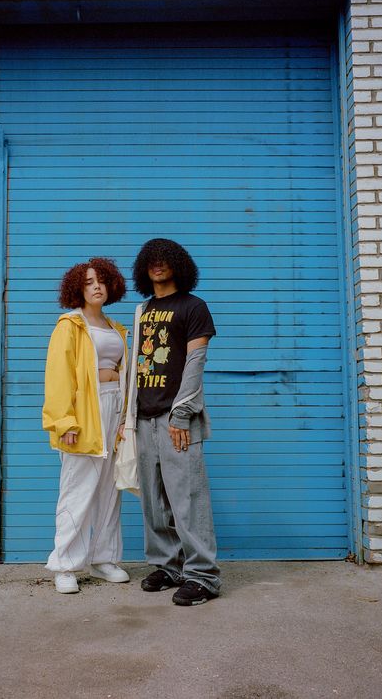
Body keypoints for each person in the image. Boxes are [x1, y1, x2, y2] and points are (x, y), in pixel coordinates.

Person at [129, 238, 221, 606]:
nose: (157, 264)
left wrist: (181, 415)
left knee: (188, 500)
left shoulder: (193, 307)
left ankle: (203, 577)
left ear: (178, 265)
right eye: (151, 260)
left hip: (176, 419)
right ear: (143, 268)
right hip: (143, 419)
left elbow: (195, 364)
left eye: (165, 259)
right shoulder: (142, 311)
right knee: (154, 503)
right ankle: (169, 566)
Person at [42, 257, 130, 594]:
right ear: (77, 289)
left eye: (101, 281)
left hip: (114, 409)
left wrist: (125, 420)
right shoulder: (70, 325)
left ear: (111, 285)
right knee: (77, 490)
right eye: (89, 282)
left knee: (110, 491)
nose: (96, 287)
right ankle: (65, 565)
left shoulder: (116, 328)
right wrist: (64, 421)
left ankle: (103, 559)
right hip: (84, 415)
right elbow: (58, 376)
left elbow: (125, 376)